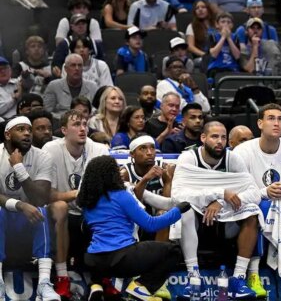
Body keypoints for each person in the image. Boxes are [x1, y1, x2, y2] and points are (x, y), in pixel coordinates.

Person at [78, 155, 187, 301]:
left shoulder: (86, 200)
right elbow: (150, 224)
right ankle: (142, 287)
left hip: (93, 260)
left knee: (102, 264)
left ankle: (95, 285)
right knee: (173, 251)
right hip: (122, 258)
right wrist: (178, 211)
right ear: (112, 173)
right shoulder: (121, 195)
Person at [175, 122, 261, 299]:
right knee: (184, 209)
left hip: (226, 213)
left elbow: (254, 192)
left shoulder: (233, 159)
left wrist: (221, 202)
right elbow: (178, 195)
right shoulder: (188, 158)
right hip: (198, 213)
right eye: (215, 137)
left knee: (252, 211)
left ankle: (238, 278)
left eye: (223, 137)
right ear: (203, 138)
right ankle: (194, 277)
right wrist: (218, 193)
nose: (220, 141)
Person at [231, 104, 281, 298]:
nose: (277, 123)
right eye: (271, 118)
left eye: (280, 119)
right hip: (249, 205)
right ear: (259, 123)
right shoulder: (243, 151)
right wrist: (265, 192)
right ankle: (253, 275)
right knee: (257, 207)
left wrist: (277, 193)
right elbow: (240, 191)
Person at [44, 110, 110, 298]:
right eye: (76, 125)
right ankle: (63, 276)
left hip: (89, 211)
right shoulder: (51, 149)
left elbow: (105, 189)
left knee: (108, 207)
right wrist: (74, 194)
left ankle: (103, 277)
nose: (82, 129)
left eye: (85, 124)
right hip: (60, 212)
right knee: (60, 206)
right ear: (64, 130)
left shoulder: (99, 150)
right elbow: (45, 193)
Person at [0, 116, 60, 301]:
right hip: (5, 215)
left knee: (43, 211)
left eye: (28, 129)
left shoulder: (42, 156)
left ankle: (43, 283)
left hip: (30, 218)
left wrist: (19, 167)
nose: (27, 133)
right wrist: (19, 204)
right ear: (8, 134)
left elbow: (40, 198)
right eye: (20, 129)